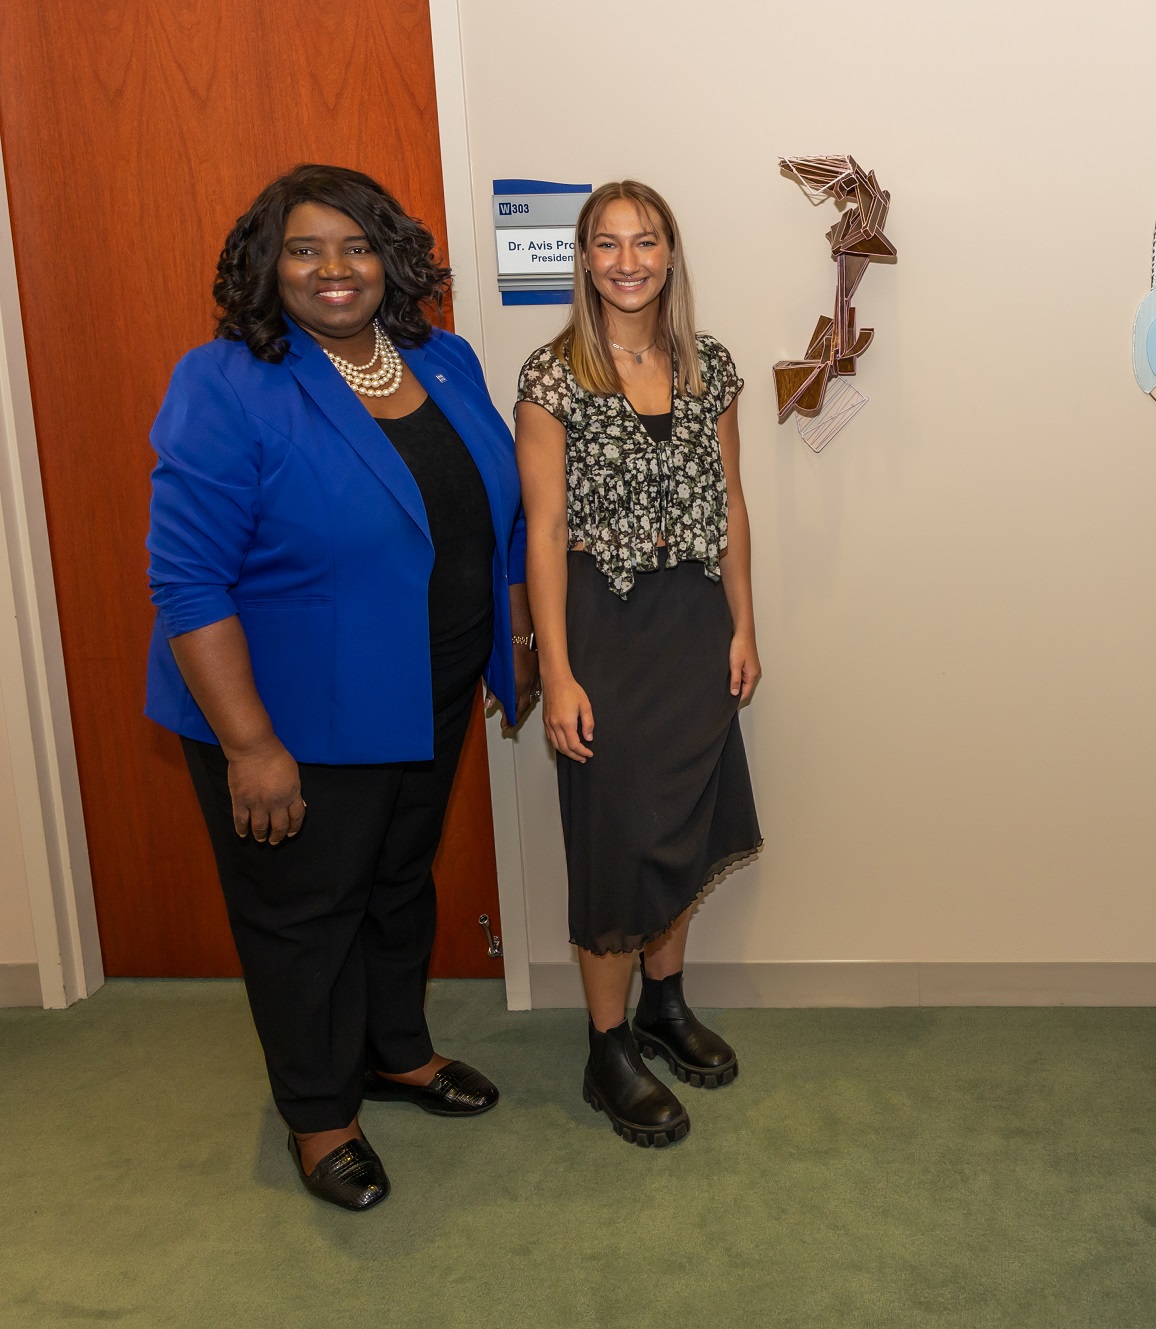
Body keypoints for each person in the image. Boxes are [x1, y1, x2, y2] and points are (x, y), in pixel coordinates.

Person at [147, 165, 535, 1211]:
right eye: (304, 249)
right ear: (267, 267)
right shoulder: (226, 381)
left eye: (356, 246)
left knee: (396, 887)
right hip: (290, 718)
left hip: (425, 691)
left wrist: (511, 642)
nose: (334, 269)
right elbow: (188, 579)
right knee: (304, 914)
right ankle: (320, 1116)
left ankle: (394, 1054)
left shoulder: (441, 359)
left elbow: (490, 518)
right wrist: (250, 746)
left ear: (390, 260)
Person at [516, 180, 762, 1147]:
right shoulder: (553, 376)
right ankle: (607, 1045)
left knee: (684, 827)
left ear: (670, 254)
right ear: (584, 258)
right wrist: (559, 671)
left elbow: (732, 504)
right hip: (602, 629)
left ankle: (665, 1005)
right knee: (619, 839)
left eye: (646, 241)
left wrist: (744, 624)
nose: (628, 260)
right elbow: (540, 538)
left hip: (694, 621)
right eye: (608, 243)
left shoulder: (712, 367)